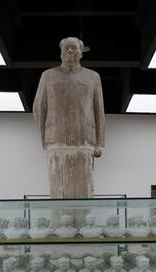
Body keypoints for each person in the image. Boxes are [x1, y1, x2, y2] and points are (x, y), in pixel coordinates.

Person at [33, 37, 105, 198]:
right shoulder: (48, 76)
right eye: (66, 49)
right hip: (56, 140)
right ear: (60, 53)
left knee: (85, 189)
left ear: (81, 53)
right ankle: (60, 223)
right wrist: (46, 138)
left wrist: (100, 143)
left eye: (74, 49)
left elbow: (99, 111)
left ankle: (85, 223)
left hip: (85, 141)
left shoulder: (93, 77)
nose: (70, 52)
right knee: (58, 189)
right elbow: (39, 107)